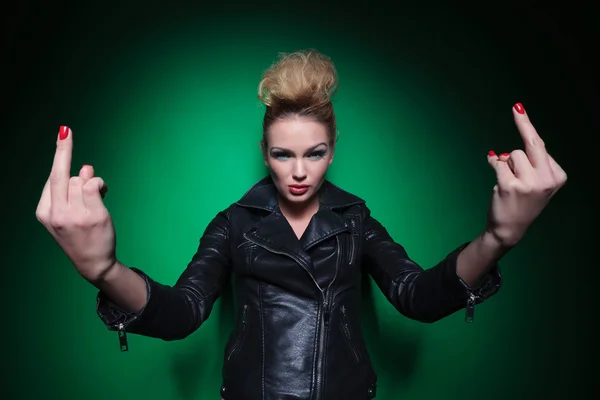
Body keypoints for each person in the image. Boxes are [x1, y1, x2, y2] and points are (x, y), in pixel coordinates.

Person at [36, 49, 567, 400]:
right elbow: (183, 312)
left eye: (313, 154)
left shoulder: (354, 218)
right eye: (281, 154)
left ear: (333, 152)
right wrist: (103, 269)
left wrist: (499, 238)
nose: (297, 172)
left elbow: (417, 296)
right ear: (264, 155)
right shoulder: (233, 223)